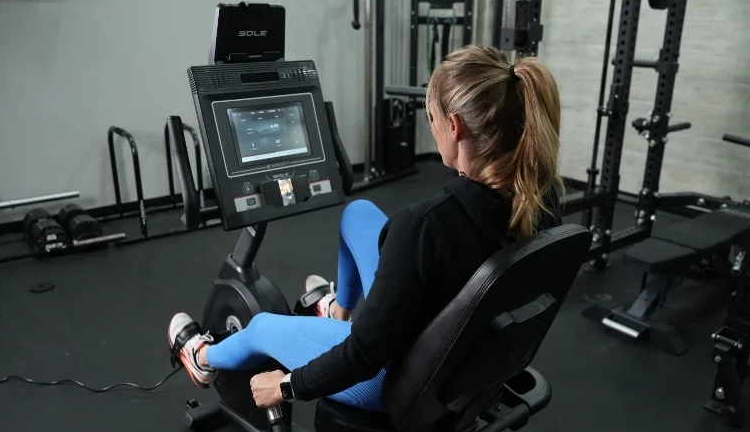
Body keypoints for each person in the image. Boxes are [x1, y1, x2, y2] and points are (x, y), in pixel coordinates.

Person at [168, 45, 564, 412]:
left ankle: (202, 358)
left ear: (455, 126)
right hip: (459, 354)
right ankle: (338, 312)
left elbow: (363, 356)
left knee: (262, 328)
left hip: (392, 379)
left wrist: (287, 385)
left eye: (432, 120)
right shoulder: (543, 203)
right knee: (357, 213)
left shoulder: (425, 227)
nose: (432, 129)